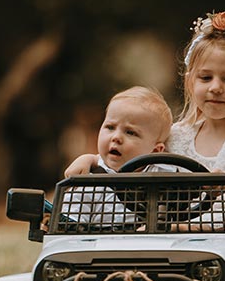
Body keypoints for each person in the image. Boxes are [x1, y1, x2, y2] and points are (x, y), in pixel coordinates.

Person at [65, 11, 225, 210]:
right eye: (205, 77)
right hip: (170, 233)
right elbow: (136, 159)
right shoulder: (176, 134)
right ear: (191, 82)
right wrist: (92, 160)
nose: (215, 88)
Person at [60, 86, 176, 227]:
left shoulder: (162, 175)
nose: (116, 137)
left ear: (156, 151)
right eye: (110, 127)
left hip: (147, 245)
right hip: (99, 246)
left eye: (130, 132)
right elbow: (68, 228)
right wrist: (87, 158)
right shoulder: (90, 181)